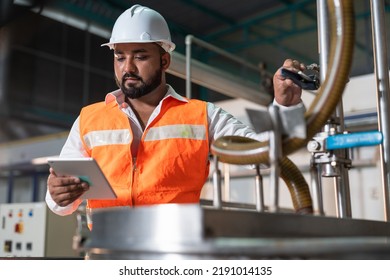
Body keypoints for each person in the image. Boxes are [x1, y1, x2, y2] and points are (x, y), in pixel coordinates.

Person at [45, 4, 305, 227]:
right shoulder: (88, 119)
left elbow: (266, 156)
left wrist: (285, 107)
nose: (128, 67)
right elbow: (62, 202)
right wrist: (56, 195)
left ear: (165, 61)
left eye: (141, 56)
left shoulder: (203, 116)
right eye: (120, 57)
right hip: (108, 252)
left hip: (174, 252)